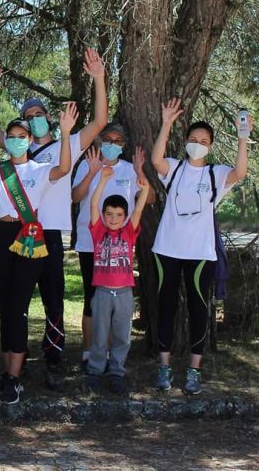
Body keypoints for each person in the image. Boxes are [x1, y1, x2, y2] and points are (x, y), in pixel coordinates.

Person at [0, 51, 108, 389]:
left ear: (49, 118)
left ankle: (53, 360)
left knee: (53, 299)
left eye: (38, 115)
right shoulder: (18, 148)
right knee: (13, 302)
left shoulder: (67, 144)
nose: (33, 120)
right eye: (27, 116)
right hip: (16, 234)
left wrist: (98, 78)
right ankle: (10, 367)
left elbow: (98, 123)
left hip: (49, 234)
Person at [0, 100, 75, 405]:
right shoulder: (1, 170)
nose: (16, 140)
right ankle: (8, 375)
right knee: (5, 308)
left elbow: (64, 168)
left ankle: (15, 379)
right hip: (2, 237)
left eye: (22, 136)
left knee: (18, 307)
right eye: (11, 136)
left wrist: (66, 135)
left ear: (30, 140)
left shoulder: (40, 170)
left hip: (29, 237)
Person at [150, 98, 251, 395]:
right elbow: (156, 160)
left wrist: (243, 138)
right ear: (185, 142)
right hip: (167, 248)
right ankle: (164, 367)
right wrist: (167, 123)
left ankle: (194, 370)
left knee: (198, 310)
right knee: (165, 307)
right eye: (193, 139)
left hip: (200, 253)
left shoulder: (216, 174)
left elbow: (240, 173)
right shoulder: (175, 168)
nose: (198, 144)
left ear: (210, 146)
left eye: (204, 141)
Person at [71, 127, 146, 369]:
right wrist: (93, 173)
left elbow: (148, 198)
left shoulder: (127, 169)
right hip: (90, 241)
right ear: (100, 141)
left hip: (118, 247)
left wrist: (140, 172)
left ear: (123, 145)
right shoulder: (87, 164)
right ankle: (89, 351)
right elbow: (75, 196)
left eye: (118, 141)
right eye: (108, 139)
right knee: (92, 300)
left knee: (114, 303)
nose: (112, 144)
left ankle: (111, 356)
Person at [84, 161, 150, 395]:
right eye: (109, 214)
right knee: (100, 334)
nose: (113, 219)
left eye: (118, 215)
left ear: (124, 217)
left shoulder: (129, 231)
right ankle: (94, 370)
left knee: (122, 336)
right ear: (103, 216)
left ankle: (116, 373)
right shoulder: (98, 230)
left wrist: (145, 189)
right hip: (102, 292)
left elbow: (139, 209)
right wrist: (102, 180)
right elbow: (93, 203)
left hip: (124, 293)